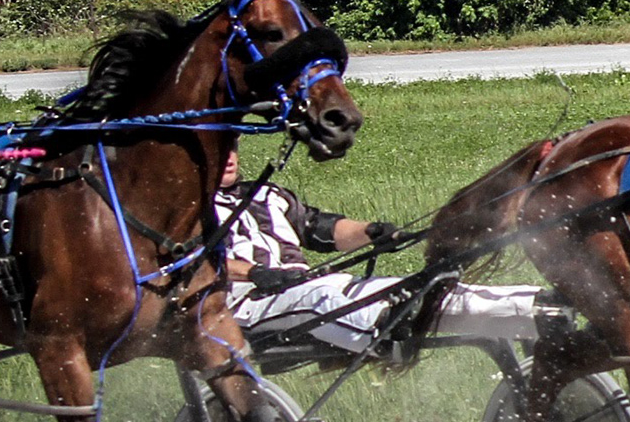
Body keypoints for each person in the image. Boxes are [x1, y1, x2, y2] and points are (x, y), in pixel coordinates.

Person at [215, 147, 543, 359]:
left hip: (305, 287)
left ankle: (538, 311)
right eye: (218, 150)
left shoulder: (267, 194)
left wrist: (374, 231)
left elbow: (321, 228)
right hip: (247, 303)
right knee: (319, 297)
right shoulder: (193, 212)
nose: (228, 156)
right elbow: (193, 263)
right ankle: (387, 337)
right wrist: (253, 273)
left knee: (419, 289)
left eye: (231, 147)